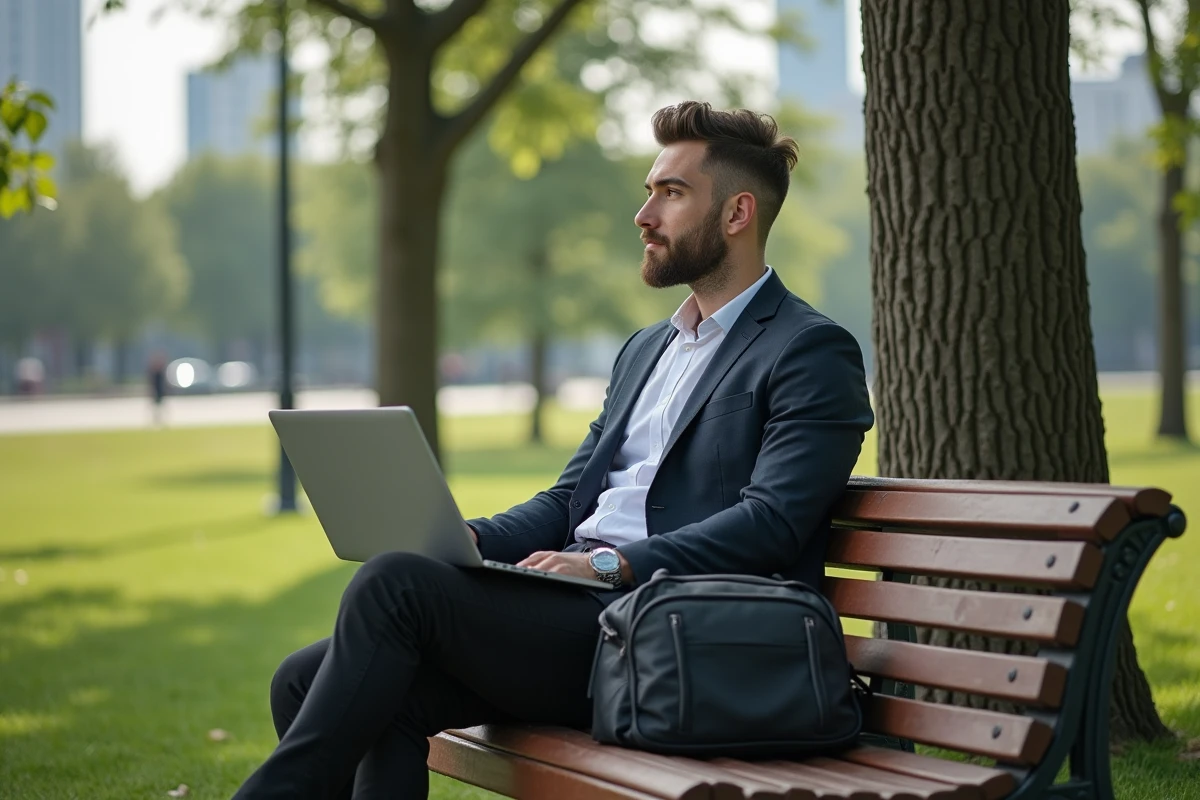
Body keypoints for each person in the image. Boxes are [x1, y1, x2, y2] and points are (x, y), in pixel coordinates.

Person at [232, 101, 874, 800]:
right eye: (649, 189)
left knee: (394, 588)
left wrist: (607, 563)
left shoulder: (808, 349)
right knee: (311, 676)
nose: (644, 213)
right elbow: (570, 499)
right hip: (586, 623)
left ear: (737, 214)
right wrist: (467, 539)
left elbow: (773, 523)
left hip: (681, 636)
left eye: (671, 192)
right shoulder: (646, 351)